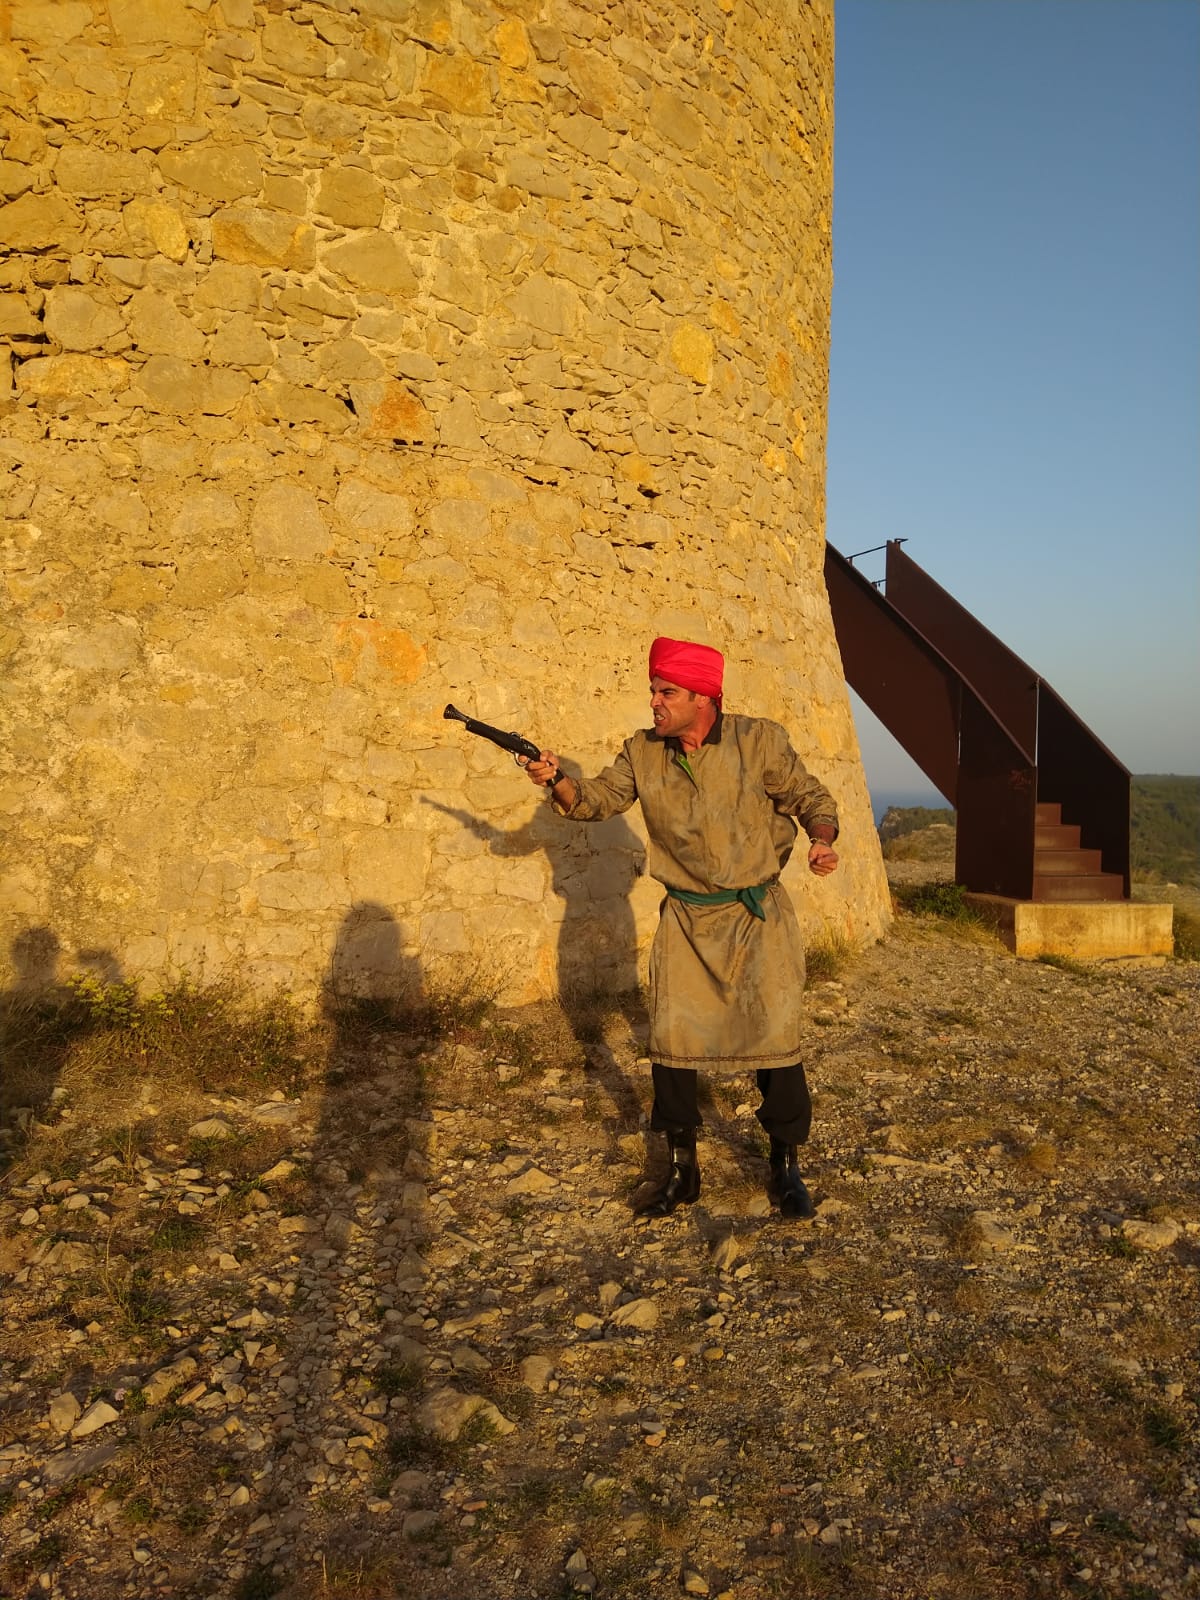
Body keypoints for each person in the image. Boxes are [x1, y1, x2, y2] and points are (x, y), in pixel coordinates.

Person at [520, 636, 839, 1220]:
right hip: (687, 921)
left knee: (775, 1042)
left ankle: (784, 1165)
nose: (655, 702)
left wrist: (821, 840)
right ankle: (680, 1171)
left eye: (666, 692)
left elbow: (809, 796)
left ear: (703, 697)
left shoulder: (757, 741)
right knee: (672, 1046)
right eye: (652, 690)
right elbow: (595, 801)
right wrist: (557, 779)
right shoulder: (642, 752)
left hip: (754, 917)